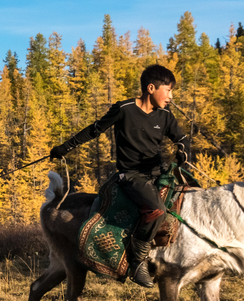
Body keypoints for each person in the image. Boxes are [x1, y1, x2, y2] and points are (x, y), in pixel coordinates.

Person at [49, 64, 189, 288]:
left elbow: (181, 139)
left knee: (191, 192)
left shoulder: (165, 115)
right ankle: (137, 261)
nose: (171, 97)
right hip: (131, 175)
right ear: (151, 88)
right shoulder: (124, 109)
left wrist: (182, 151)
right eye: (168, 90)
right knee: (157, 210)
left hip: (158, 173)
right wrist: (64, 148)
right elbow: (94, 130)